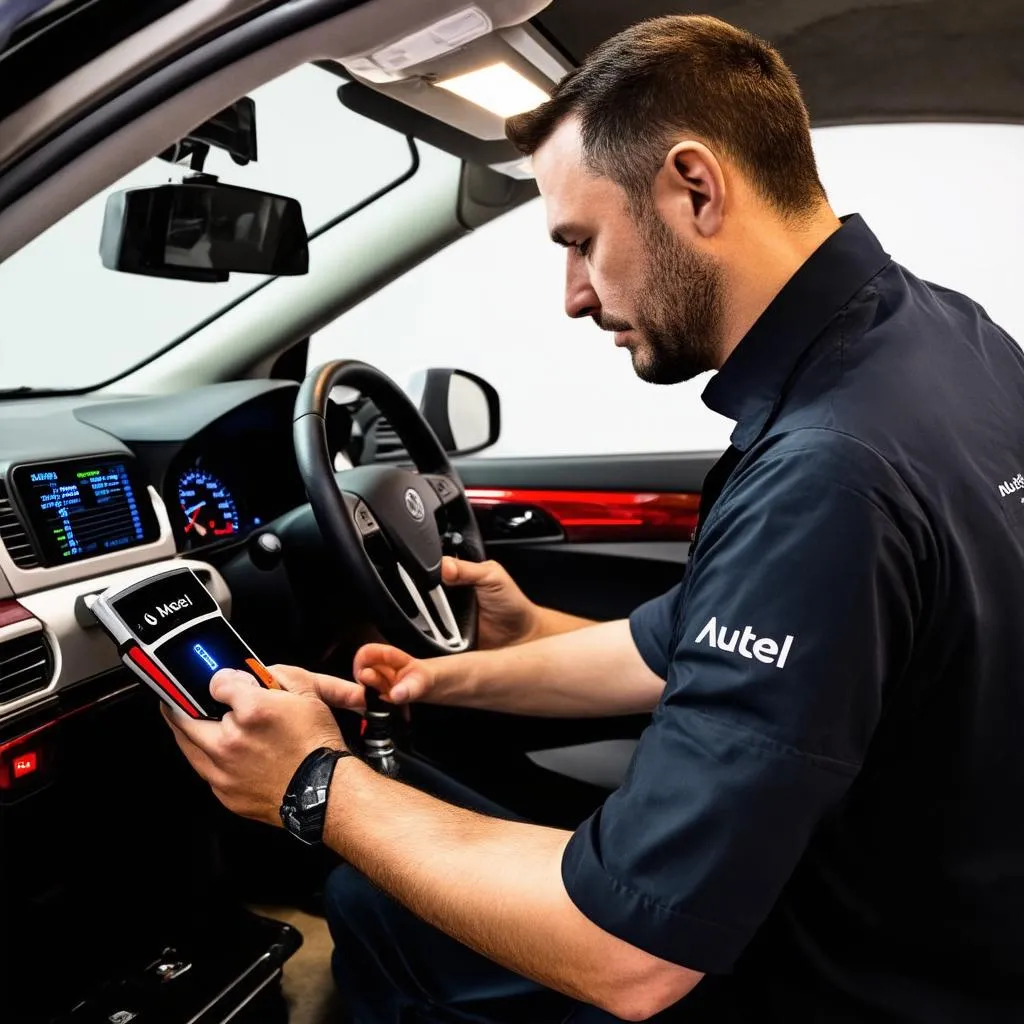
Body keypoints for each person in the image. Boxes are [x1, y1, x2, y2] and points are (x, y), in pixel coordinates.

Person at [164, 13, 1024, 1023]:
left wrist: (310, 783)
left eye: (581, 241)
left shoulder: (826, 470)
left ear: (694, 187)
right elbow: (685, 649)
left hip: (833, 977)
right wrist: (450, 675)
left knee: (371, 901)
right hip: (947, 921)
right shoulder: (943, 335)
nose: (573, 294)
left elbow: (628, 956)